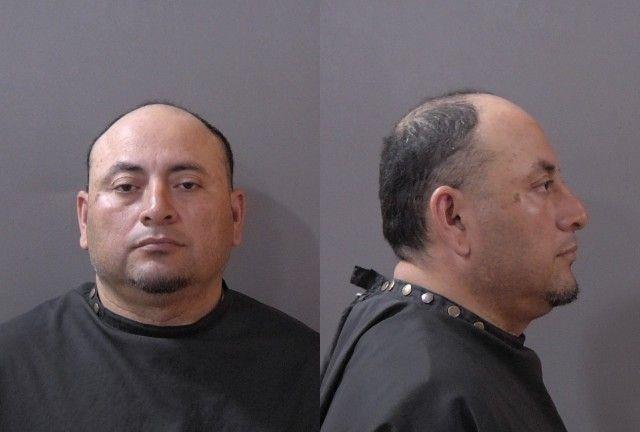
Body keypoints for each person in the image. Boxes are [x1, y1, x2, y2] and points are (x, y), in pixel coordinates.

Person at [0, 103, 318, 431]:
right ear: (84, 218)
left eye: (187, 185)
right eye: (126, 186)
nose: (156, 209)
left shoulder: (308, 370)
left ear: (235, 215)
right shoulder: (12, 367)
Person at [320, 90, 588, 431]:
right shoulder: (424, 391)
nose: (577, 214)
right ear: (453, 218)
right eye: (543, 185)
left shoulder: (411, 348)